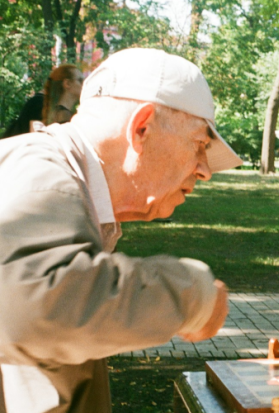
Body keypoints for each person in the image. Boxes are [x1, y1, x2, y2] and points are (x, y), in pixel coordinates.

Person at [0, 48, 243, 412]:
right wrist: (193, 294)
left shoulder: (58, 178)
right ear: (141, 127)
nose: (205, 171)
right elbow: (34, 307)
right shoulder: (42, 173)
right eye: (199, 145)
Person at [2, 64, 83, 139]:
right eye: (80, 80)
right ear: (67, 83)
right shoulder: (38, 104)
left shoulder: (64, 112)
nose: (84, 84)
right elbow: (36, 141)